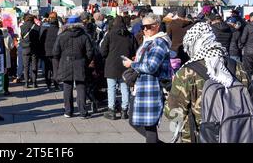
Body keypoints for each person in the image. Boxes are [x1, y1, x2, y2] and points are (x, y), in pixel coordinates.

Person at [165, 22, 250, 143]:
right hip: (238, 135)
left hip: (200, 137)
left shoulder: (187, 72)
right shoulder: (238, 67)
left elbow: (173, 112)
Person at [123, 13, 172, 143]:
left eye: (148, 27)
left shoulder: (159, 42)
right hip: (143, 87)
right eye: (143, 27)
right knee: (137, 122)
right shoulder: (151, 41)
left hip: (151, 88)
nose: (144, 30)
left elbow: (151, 67)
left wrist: (132, 64)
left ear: (157, 26)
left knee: (149, 126)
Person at [53, 15, 94, 119]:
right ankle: (83, 112)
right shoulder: (84, 36)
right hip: (80, 63)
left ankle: (68, 111)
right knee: (81, 87)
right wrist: (86, 61)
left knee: (67, 87)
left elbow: (55, 52)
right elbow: (90, 52)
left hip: (65, 63)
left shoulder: (61, 35)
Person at [100, 16, 138, 120]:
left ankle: (111, 110)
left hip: (111, 65)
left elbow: (103, 51)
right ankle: (124, 111)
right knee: (125, 88)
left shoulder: (109, 35)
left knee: (111, 88)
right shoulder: (130, 35)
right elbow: (135, 51)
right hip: (125, 65)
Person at [39, 12, 61, 91]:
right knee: (55, 69)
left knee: (47, 69)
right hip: (56, 52)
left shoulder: (44, 28)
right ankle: (56, 85)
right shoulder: (59, 29)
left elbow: (41, 40)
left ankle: (48, 85)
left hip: (46, 51)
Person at [20, 14, 41, 88]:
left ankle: (26, 83)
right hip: (35, 48)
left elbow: (21, 36)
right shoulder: (37, 27)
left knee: (26, 66)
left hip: (25, 48)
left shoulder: (22, 27)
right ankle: (34, 82)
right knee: (34, 66)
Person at [0, 19, 14, 96]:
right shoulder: (8, 34)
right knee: (5, 74)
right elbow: (11, 46)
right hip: (6, 55)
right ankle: (6, 89)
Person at [240, 12, 253, 78]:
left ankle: (251, 84)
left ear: (251, 18)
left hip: (249, 51)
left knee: (249, 70)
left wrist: (241, 45)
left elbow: (243, 39)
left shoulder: (247, 27)